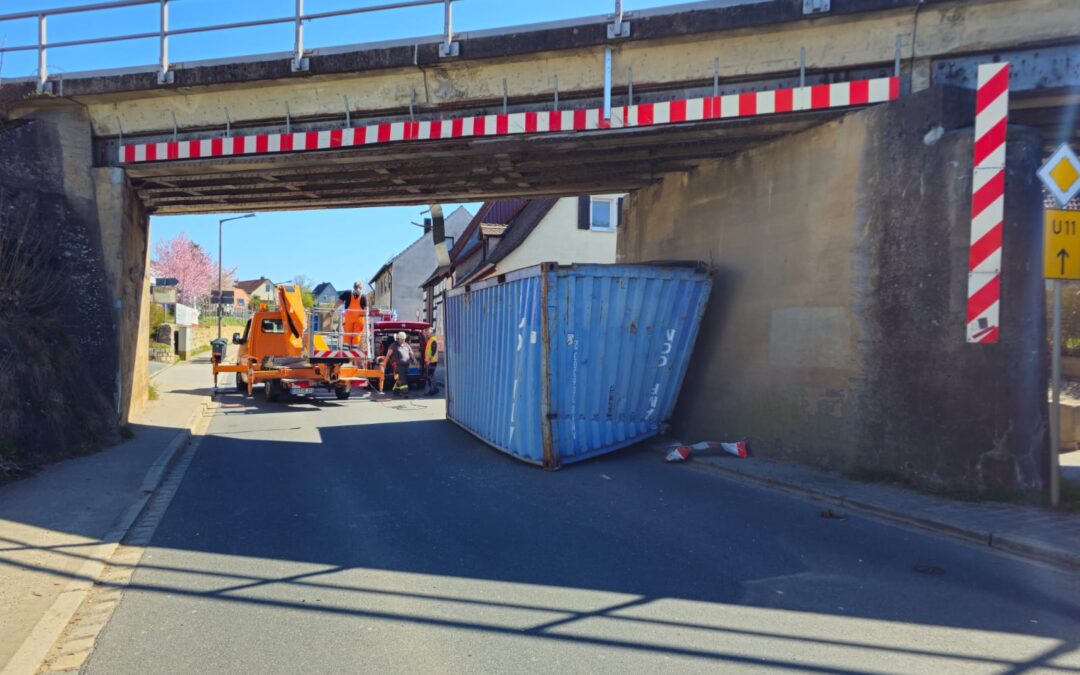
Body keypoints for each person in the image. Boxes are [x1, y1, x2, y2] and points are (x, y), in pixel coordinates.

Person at [334, 281, 368, 347]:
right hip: (359, 319)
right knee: (357, 335)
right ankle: (355, 347)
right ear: (360, 287)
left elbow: (339, 302)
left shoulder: (348, 293)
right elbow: (366, 310)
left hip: (348, 319)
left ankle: (346, 346)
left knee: (347, 333)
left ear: (353, 287)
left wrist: (333, 310)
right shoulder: (363, 297)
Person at [385, 331, 413, 397]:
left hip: (406, 365)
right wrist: (384, 364)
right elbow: (388, 355)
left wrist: (414, 359)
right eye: (401, 339)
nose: (403, 340)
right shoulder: (393, 346)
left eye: (404, 339)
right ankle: (405, 393)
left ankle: (396, 391)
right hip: (397, 365)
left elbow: (411, 352)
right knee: (403, 379)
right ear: (398, 338)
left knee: (400, 378)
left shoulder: (406, 345)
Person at [422, 329, 439, 395]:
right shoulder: (430, 339)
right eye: (427, 333)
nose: (427, 334)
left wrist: (429, 360)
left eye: (428, 333)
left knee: (430, 376)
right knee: (431, 376)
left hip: (432, 361)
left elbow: (433, 351)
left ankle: (432, 391)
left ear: (432, 333)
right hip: (430, 361)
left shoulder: (433, 340)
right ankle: (435, 389)